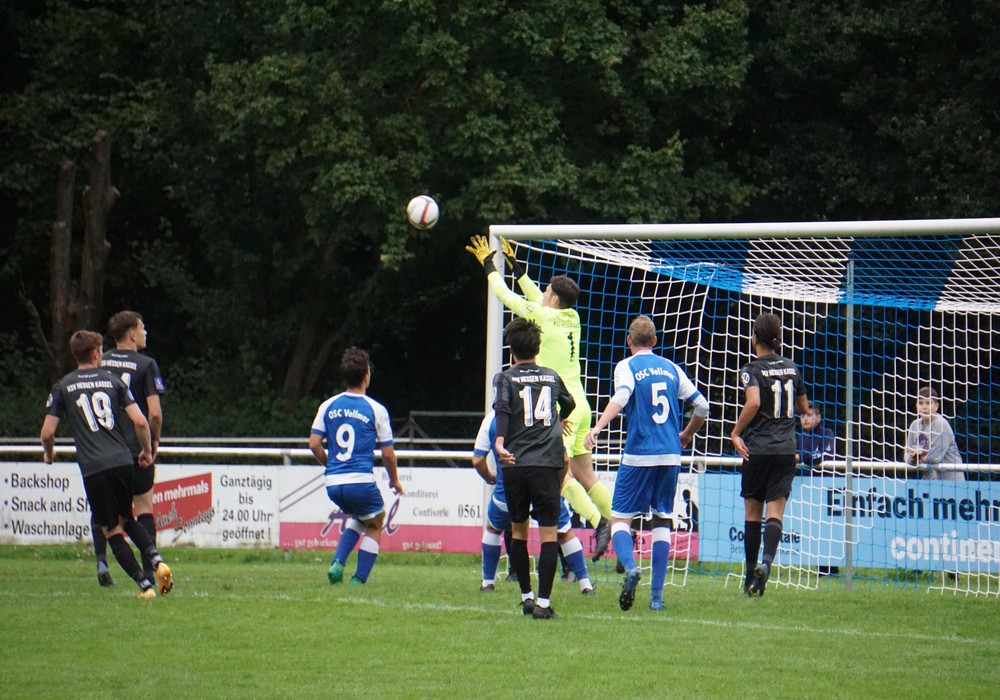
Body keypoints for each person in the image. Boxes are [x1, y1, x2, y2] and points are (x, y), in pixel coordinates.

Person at [467, 235, 612, 562]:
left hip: (561, 405)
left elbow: (505, 296)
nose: (542, 293)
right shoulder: (572, 316)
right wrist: (516, 265)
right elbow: (536, 296)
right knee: (587, 475)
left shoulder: (542, 316)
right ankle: (617, 525)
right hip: (581, 402)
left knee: (560, 475)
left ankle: (599, 522)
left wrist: (489, 265)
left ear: (554, 299)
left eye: (547, 291)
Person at [585, 315, 709, 611]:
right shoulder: (671, 368)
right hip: (670, 455)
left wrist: (598, 427)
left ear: (629, 340)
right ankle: (656, 598)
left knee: (620, 520)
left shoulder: (627, 366)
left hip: (640, 454)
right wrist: (686, 435)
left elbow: (622, 395)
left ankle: (631, 569)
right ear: (654, 341)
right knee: (662, 519)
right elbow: (703, 406)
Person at [40, 330, 173, 598]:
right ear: (95, 353)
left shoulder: (63, 386)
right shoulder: (113, 381)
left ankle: (144, 586)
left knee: (111, 529)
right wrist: (146, 450)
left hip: (94, 467)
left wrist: (49, 453)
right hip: (123, 460)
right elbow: (141, 421)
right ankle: (157, 561)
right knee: (128, 518)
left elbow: (47, 432)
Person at [492, 317, 576, 619]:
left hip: (515, 463)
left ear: (511, 351)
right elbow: (570, 404)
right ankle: (543, 603)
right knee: (549, 534)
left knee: (518, 530)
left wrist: (500, 441)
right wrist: (559, 418)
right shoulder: (551, 376)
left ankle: (526, 597)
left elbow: (502, 410)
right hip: (546, 464)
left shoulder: (505, 379)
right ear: (538, 349)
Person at [730, 313, 809, 597]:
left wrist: (736, 432)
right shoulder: (791, 367)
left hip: (758, 448)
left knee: (753, 513)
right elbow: (804, 408)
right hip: (786, 449)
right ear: (778, 339)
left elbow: (753, 401)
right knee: (775, 513)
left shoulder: (750, 369)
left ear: (754, 338)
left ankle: (750, 577)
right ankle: (766, 563)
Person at [472, 411, 595, 595]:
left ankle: (489, 583)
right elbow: (564, 459)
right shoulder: (546, 416)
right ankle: (586, 586)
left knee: (496, 529)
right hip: (544, 487)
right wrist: (557, 485)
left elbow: (478, 460)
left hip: (510, 489)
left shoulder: (492, 419)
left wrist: (489, 477)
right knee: (562, 534)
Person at [310, 347, 404, 585]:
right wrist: (394, 480)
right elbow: (388, 454)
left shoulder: (327, 405)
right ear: (366, 376)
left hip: (333, 483)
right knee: (377, 520)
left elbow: (314, 444)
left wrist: (331, 465)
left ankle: (337, 564)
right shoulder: (376, 409)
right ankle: (359, 579)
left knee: (361, 517)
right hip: (360, 481)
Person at [91, 310, 165, 587]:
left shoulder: (100, 361)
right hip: (135, 449)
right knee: (143, 508)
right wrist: (153, 440)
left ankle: (102, 561)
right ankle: (150, 571)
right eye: (142, 328)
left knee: (103, 508)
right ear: (132, 334)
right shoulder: (146, 365)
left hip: (105, 448)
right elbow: (153, 413)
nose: (146, 333)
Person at [905, 387, 965, 482]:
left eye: (928, 403)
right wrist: (912, 458)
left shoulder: (941, 424)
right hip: (929, 481)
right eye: (920, 403)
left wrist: (919, 456)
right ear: (916, 405)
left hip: (951, 482)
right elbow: (907, 453)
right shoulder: (914, 425)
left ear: (936, 406)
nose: (924, 407)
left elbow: (935, 457)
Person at [797, 401, 835, 474]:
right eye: (802, 415)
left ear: (818, 418)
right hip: (803, 480)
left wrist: (801, 457)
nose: (805, 418)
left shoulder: (827, 433)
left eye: (809, 415)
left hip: (824, 479)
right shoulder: (800, 438)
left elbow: (825, 457)